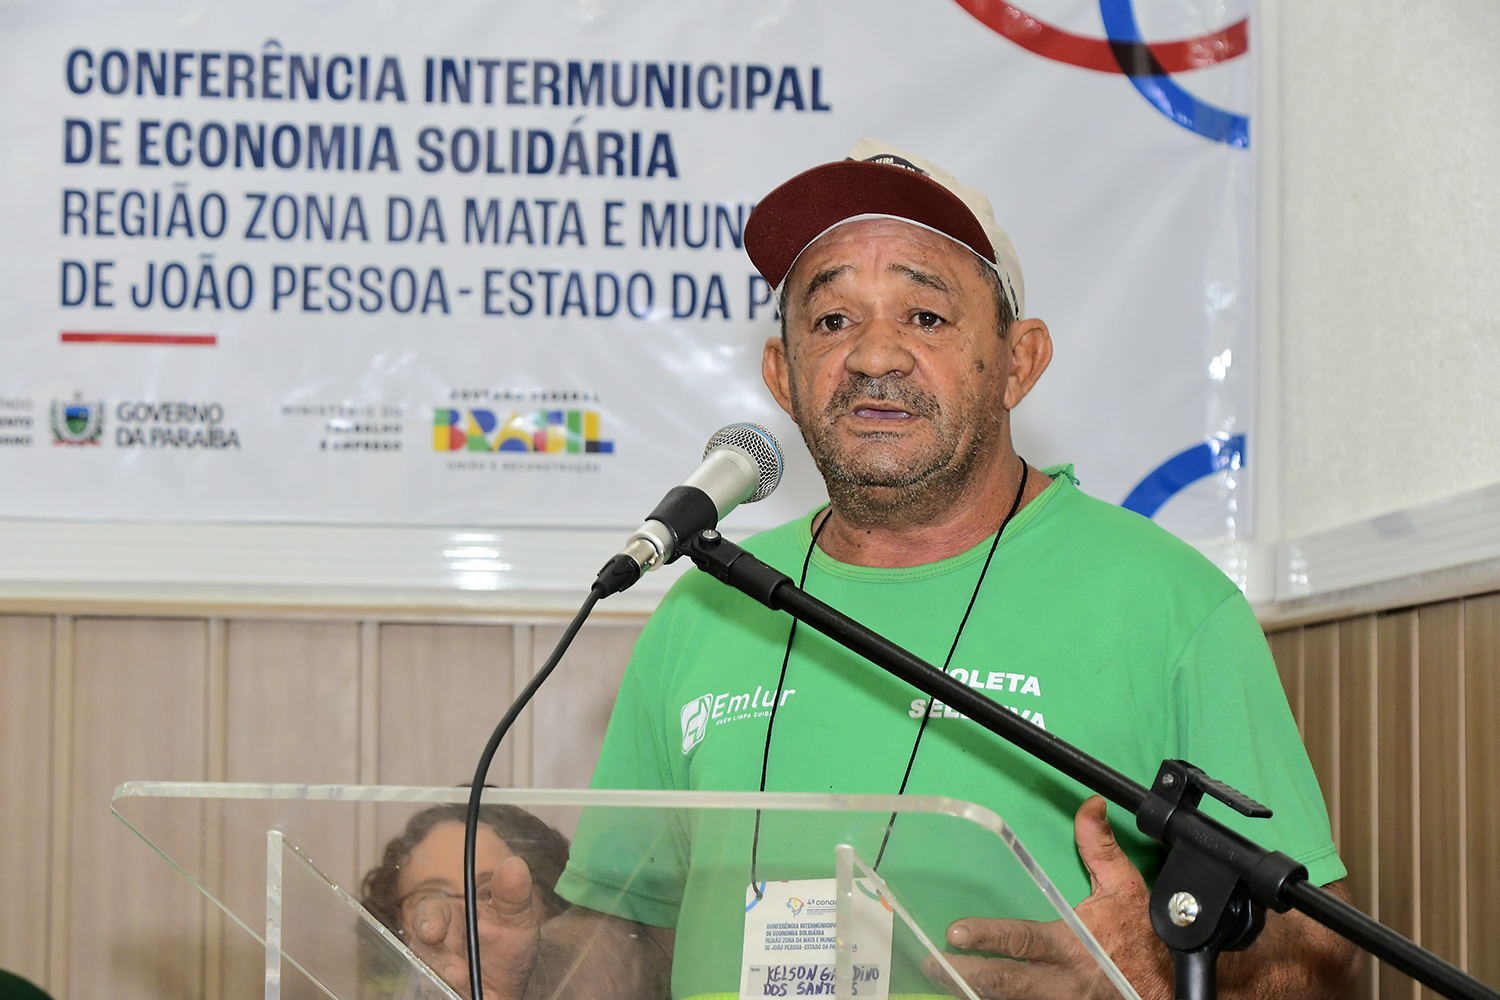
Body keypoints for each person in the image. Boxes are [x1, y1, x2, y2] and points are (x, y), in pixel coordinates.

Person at [444, 140, 1362, 1000]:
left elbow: (1322, 957)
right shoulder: (704, 607)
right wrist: (499, 944)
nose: (874, 356)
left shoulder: (1166, 601)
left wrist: (1162, 966)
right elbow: (629, 935)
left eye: (925, 315)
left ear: (1018, 361)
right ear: (782, 373)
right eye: (833, 319)